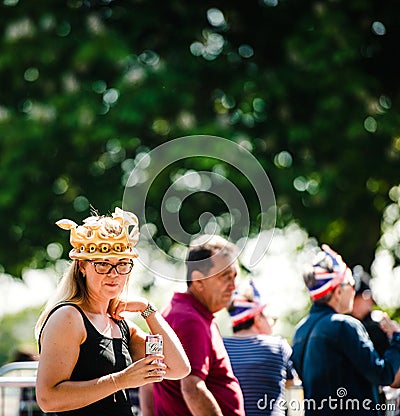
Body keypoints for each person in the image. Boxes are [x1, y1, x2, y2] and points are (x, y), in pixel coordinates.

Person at [34, 207, 190, 416]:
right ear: (82, 266)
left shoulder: (119, 323)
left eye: (122, 264)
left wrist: (147, 310)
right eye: (102, 264)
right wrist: (121, 380)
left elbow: (179, 368)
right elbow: (48, 399)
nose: (114, 274)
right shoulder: (69, 317)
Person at [141, 234, 245, 416]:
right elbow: (192, 389)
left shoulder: (173, 313)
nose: (233, 286)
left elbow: (148, 382)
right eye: (225, 277)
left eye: (234, 276)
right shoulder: (190, 320)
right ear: (198, 281)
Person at [291, 244, 400, 416]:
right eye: (350, 283)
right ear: (338, 291)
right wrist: (396, 338)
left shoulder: (300, 331)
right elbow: (383, 374)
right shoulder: (344, 325)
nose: (353, 289)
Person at [223, 280, 298, 416]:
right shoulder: (278, 346)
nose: (272, 324)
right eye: (270, 319)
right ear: (257, 318)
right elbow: (292, 383)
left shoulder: (219, 346)